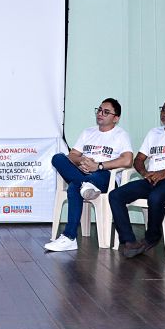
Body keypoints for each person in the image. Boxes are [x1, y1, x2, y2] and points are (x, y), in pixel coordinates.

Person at [109, 96, 165, 258]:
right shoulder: (154, 133)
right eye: (164, 109)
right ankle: (129, 240)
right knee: (116, 195)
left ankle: (152, 237)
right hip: (150, 179)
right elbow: (139, 160)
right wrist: (145, 173)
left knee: (155, 197)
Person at [45, 98, 133, 252]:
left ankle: (69, 237)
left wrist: (98, 166)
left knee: (74, 186)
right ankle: (85, 185)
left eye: (106, 112)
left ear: (116, 118)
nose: (100, 114)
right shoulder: (88, 132)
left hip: (105, 176)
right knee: (58, 158)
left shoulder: (120, 135)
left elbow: (128, 160)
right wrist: (82, 162)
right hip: (84, 172)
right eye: (99, 110)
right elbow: (72, 155)